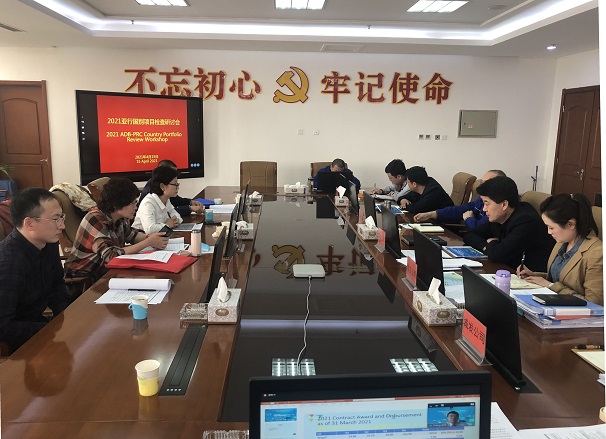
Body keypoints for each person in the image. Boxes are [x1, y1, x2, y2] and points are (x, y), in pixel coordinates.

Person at [0, 188, 71, 352]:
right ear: (29, 224)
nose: (62, 225)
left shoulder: (48, 244)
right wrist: (50, 328)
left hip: (40, 329)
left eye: (61, 217)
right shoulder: (9, 263)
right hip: (17, 343)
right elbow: (3, 326)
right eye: (55, 219)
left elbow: (57, 287)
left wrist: (65, 317)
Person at [64, 177, 169, 280]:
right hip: (83, 277)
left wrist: (151, 238)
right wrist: (148, 242)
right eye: (132, 203)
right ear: (116, 205)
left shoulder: (119, 217)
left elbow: (132, 236)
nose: (135, 207)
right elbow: (110, 256)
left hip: (106, 272)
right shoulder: (95, 219)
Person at [517, 193, 603, 305]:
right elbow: (558, 278)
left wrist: (550, 285)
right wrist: (534, 275)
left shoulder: (597, 253)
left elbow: (594, 303)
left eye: (551, 227)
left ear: (570, 224)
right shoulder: (562, 241)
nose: (549, 232)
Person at [463, 176, 552, 271]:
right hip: (507, 269)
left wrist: (492, 242)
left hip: (528, 275)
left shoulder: (526, 221)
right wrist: (486, 246)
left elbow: (497, 255)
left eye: (487, 203)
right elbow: (469, 235)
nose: (484, 209)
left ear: (504, 204)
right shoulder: (499, 217)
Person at [413, 170, 506, 230]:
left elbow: (479, 229)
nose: (482, 186)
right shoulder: (481, 198)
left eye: (487, 183)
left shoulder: (497, 207)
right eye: (482, 182)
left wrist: (468, 219)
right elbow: (460, 209)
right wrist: (432, 214)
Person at [139, 160, 204, 217]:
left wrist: (190, 202)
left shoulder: (166, 196)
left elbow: (175, 201)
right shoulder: (152, 192)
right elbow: (167, 213)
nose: (175, 175)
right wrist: (189, 208)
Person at [133, 166, 184, 234]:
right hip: (141, 238)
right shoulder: (148, 203)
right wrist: (167, 225)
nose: (178, 187)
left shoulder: (166, 200)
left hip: (158, 237)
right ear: (162, 186)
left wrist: (175, 221)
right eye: (175, 184)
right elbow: (149, 229)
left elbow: (177, 216)